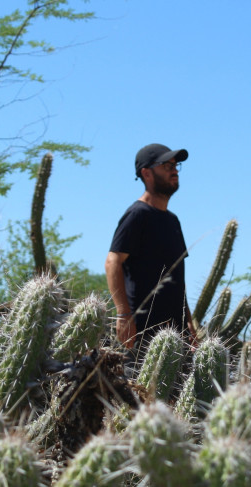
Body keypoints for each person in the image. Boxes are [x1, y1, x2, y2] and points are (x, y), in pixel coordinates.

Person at [105, 143, 198, 357]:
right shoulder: (137, 215)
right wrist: (123, 315)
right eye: (167, 165)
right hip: (141, 335)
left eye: (175, 165)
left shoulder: (173, 220)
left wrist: (189, 323)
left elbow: (177, 277)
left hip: (175, 336)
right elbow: (112, 262)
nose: (174, 170)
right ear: (146, 173)